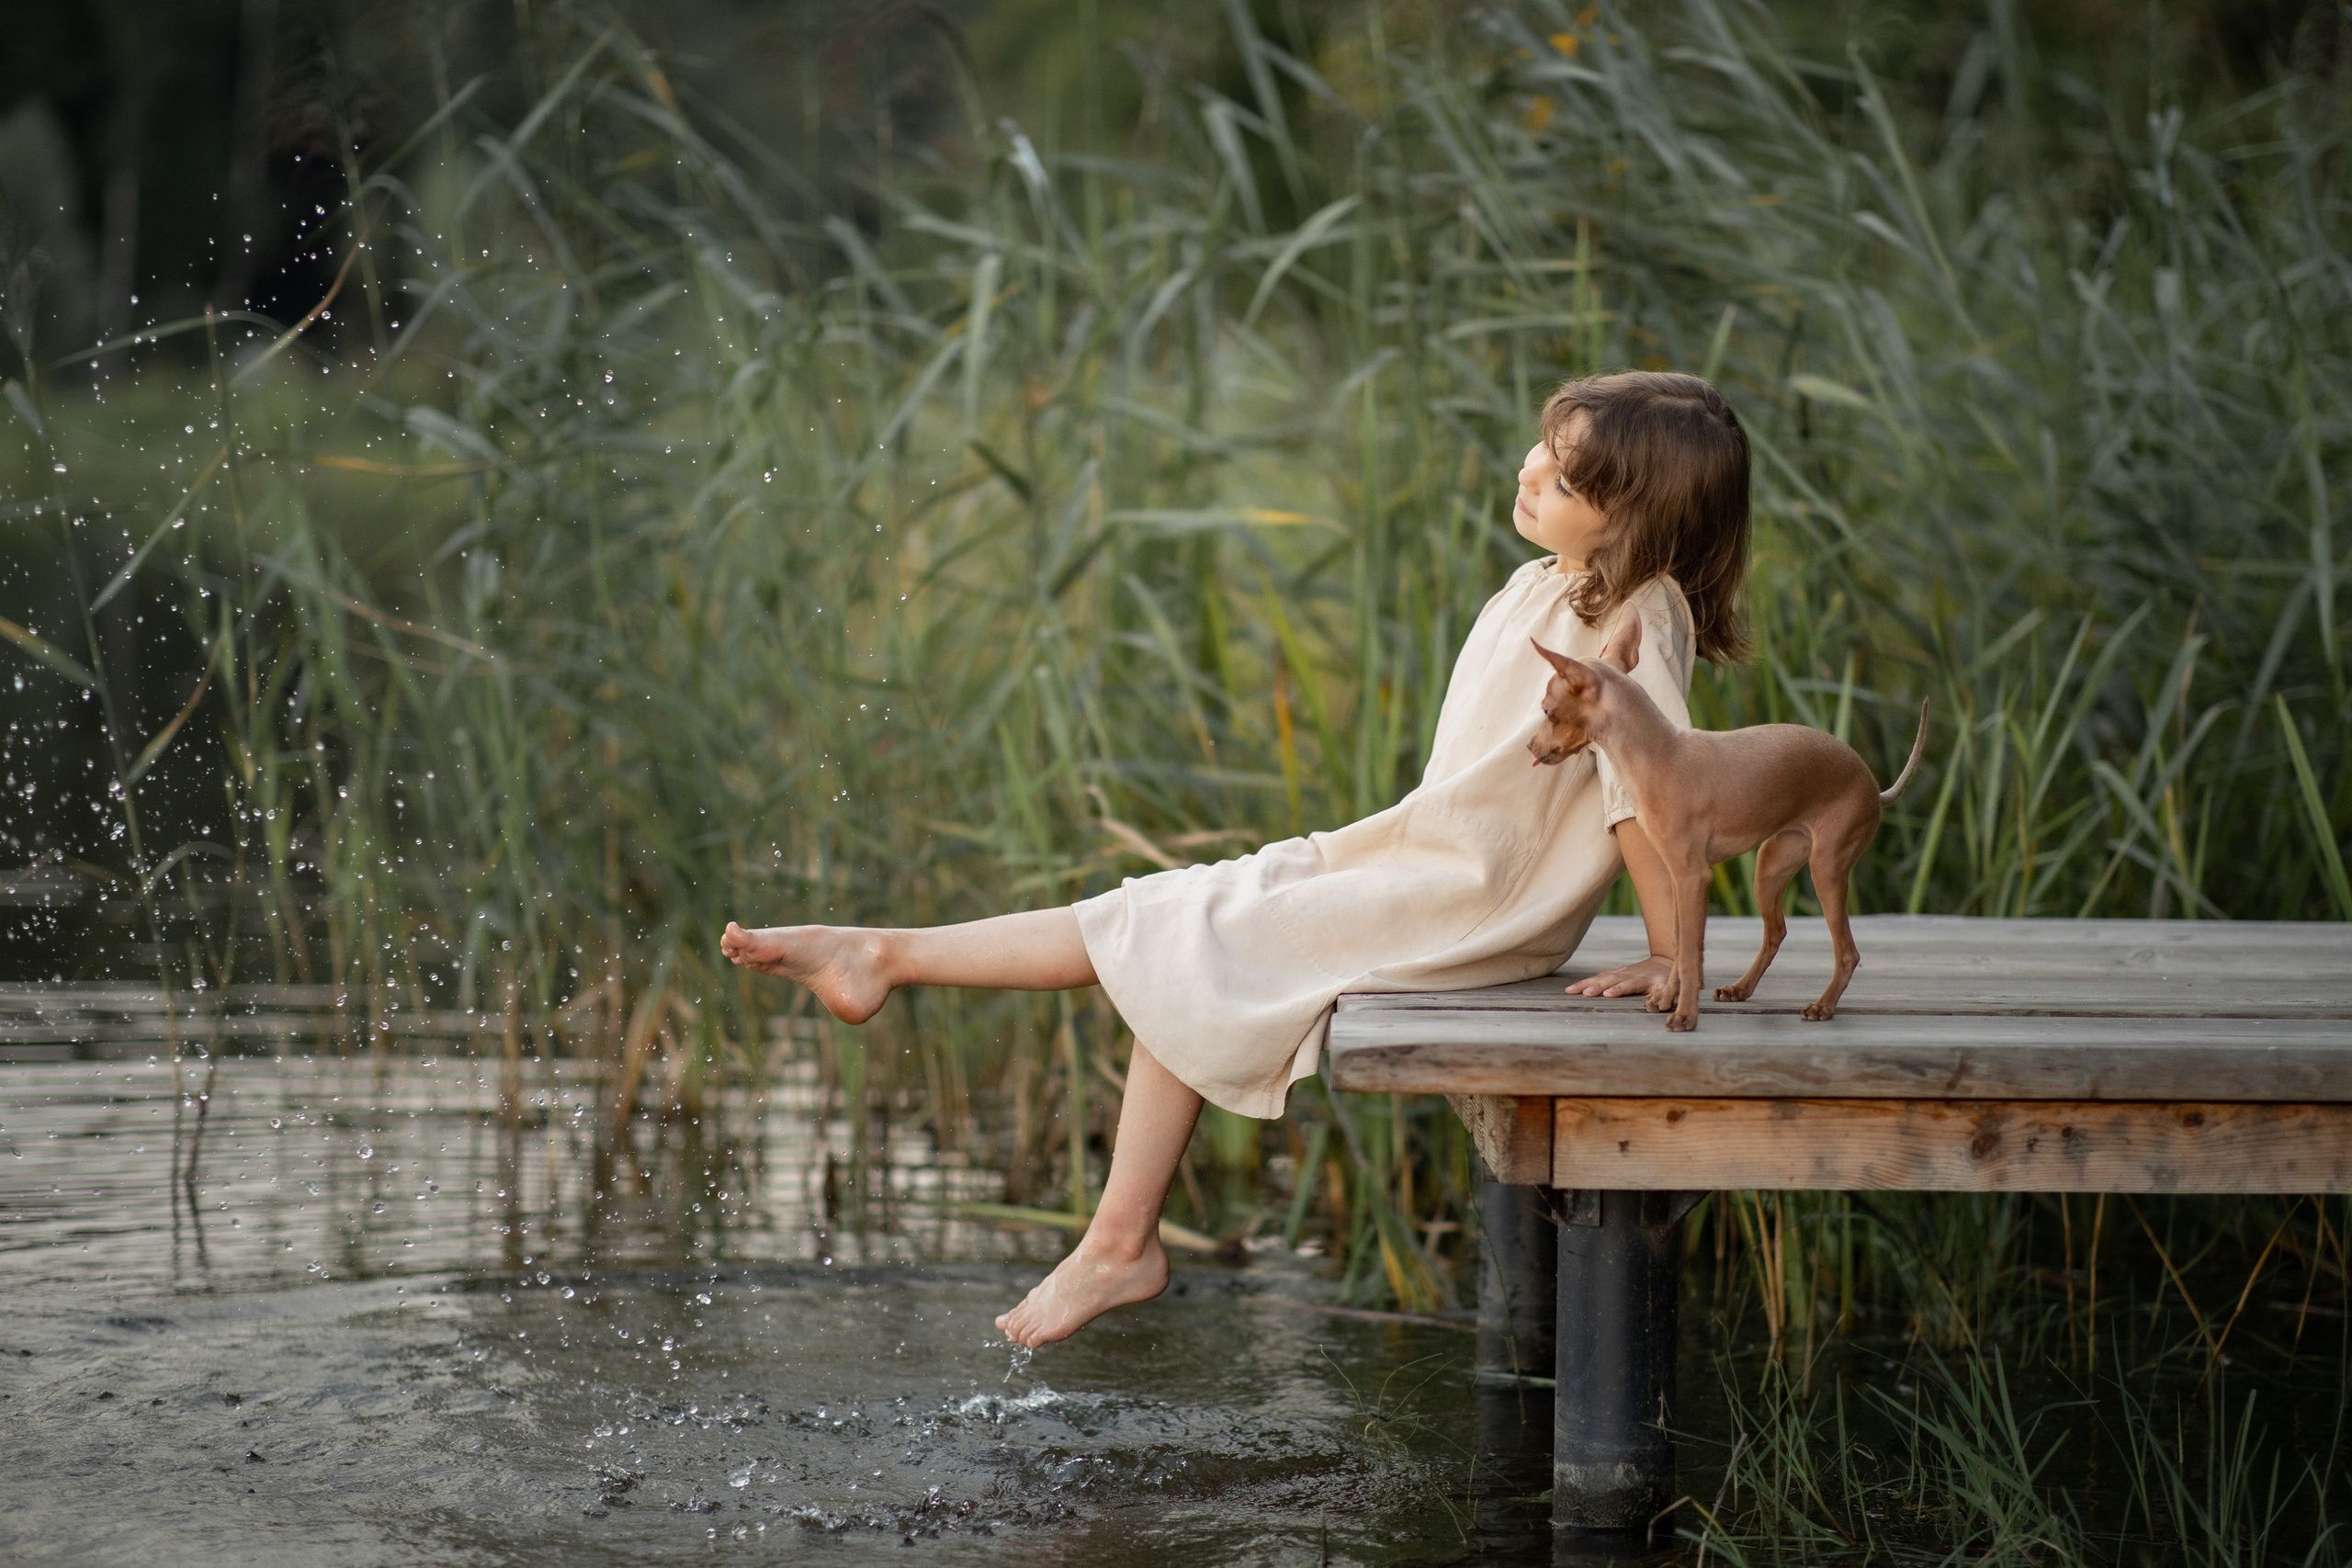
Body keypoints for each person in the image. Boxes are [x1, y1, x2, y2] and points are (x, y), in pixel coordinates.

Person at [722, 370, 1754, 1348]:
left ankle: (1108, 1226)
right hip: (1415, 863)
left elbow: (1644, 791)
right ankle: (885, 958)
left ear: (1631, 520)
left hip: (1465, 903)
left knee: (1192, 932)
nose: (1529, 468)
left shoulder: (1636, 616)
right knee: (1178, 909)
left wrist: (1674, 957)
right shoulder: (1552, 581)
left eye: (1564, 474)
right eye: (1544, 445)